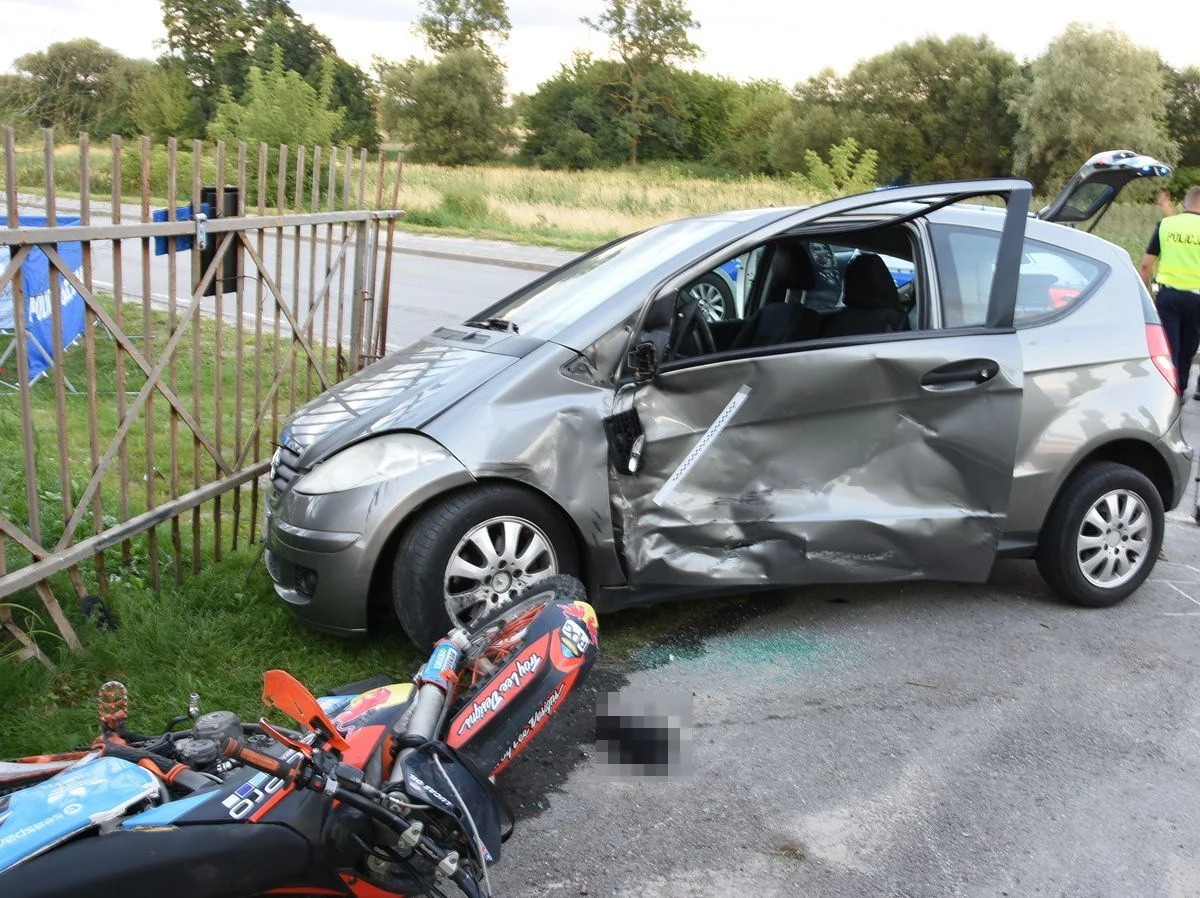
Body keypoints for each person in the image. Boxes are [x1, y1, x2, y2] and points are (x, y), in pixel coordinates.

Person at [1141, 187, 1200, 398]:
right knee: (1188, 349)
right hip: (1197, 299)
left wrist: (1145, 296)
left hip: (1168, 299)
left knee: (1168, 348)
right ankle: (1182, 388)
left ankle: (1168, 393)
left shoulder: (1166, 225)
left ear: (1185, 203)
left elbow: (1146, 265)